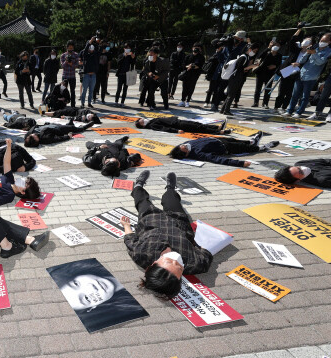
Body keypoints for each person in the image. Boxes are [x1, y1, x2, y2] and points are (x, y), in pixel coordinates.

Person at [121, 170, 213, 299]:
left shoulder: (141, 254)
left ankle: (139, 184)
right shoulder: (196, 264)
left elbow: (129, 239)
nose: (177, 260)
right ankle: (170, 187)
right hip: (178, 221)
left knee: (141, 200)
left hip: (150, 219)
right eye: (180, 268)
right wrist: (196, 245)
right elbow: (207, 254)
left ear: (153, 264)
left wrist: (126, 226)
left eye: (169, 261)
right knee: (170, 198)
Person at [48, 259, 147, 332]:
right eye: (86, 298)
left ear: (76, 275)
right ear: (93, 307)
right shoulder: (130, 308)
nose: (91, 288)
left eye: (76, 284)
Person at [286, 32, 331, 118]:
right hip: (302, 73)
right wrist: (306, 53)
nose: (321, 42)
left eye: (324, 40)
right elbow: (303, 60)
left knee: (305, 96)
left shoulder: (328, 51)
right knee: (294, 94)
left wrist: (314, 53)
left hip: (312, 76)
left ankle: (299, 112)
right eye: (321, 40)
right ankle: (289, 111)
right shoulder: (315, 47)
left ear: (329, 42)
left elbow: (320, 62)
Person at [169, 132, 279, 167]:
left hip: (219, 140)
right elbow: (217, 159)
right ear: (186, 154)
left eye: (183, 145)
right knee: (247, 148)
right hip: (226, 148)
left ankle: (252, 141)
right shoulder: (199, 153)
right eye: (185, 148)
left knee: (238, 140)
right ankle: (264, 147)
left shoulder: (184, 145)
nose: (185, 145)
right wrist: (240, 163)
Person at [210, 30, 249, 112]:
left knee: (231, 91)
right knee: (219, 89)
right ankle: (215, 104)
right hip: (224, 70)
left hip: (234, 71)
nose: (235, 39)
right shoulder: (228, 45)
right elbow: (221, 58)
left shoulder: (244, 47)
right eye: (235, 37)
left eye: (237, 38)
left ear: (241, 39)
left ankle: (225, 107)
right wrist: (219, 51)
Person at [219, 43, 260, 116]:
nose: (254, 53)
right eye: (254, 51)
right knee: (231, 94)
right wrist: (250, 67)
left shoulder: (246, 57)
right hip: (235, 77)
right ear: (249, 49)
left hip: (236, 77)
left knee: (231, 94)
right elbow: (239, 68)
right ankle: (226, 110)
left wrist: (249, 67)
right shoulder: (243, 57)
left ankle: (223, 109)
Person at [273, 23, 306, 114]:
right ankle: (276, 107)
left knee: (290, 93)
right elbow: (292, 40)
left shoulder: (309, 54)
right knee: (281, 91)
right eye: (303, 45)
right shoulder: (295, 50)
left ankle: (284, 108)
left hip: (296, 73)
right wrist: (299, 29)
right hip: (287, 71)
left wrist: (299, 64)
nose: (304, 47)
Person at [253, 41, 282, 108]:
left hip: (270, 74)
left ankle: (265, 103)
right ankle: (256, 102)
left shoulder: (279, 55)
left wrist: (274, 66)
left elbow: (279, 64)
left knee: (268, 89)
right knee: (258, 88)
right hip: (261, 72)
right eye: (275, 45)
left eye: (278, 45)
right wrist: (268, 47)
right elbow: (260, 56)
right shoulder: (267, 52)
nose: (276, 46)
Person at [24, 120, 94, 147]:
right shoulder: (45, 139)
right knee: (72, 128)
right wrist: (68, 137)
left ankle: (68, 124)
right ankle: (84, 127)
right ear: (36, 139)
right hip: (58, 129)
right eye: (32, 136)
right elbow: (57, 139)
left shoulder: (29, 135)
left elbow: (28, 136)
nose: (30, 134)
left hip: (51, 124)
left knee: (67, 125)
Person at [178, 44, 205, 108]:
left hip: (195, 75)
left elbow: (199, 66)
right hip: (186, 73)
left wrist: (191, 66)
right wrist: (189, 66)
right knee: (184, 87)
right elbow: (184, 65)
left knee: (191, 87)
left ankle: (188, 101)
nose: (196, 49)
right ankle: (182, 100)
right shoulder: (188, 56)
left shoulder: (201, 57)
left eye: (198, 48)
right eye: (195, 47)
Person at [135, 117, 230, 135]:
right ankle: (220, 132)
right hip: (178, 125)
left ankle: (217, 127)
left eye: (141, 120)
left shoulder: (151, 121)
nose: (142, 120)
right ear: (143, 126)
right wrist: (176, 131)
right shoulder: (152, 125)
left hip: (178, 121)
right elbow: (165, 129)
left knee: (197, 125)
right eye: (141, 122)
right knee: (199, 128)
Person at [203, 39, 226, 108]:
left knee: (216, 89)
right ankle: (207, 102)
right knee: (210, 89)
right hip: (213, 73)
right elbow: (211, 60)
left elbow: (220, 60)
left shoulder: (223, 52)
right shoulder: (216, 52)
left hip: (219, 72)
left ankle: (213, 103)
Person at [80, 36, 101, 108]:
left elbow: (99, 50)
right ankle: (82, 103)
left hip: (93, 75)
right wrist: (90, 42)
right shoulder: (85, 55)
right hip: (86, 75)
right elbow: (85, 50)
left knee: (91, 90)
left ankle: (89, 103)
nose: (91, 50)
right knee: (84, 90)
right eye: (90, 49)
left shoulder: (95, 55)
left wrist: (97, 42)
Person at [115, 43, 136, 107]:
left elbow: (133, 64)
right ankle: (116, 101)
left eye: (129, 48)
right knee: (119, 89)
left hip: (127, 75)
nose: (128, 49)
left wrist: (133, 58)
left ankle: (122, 102)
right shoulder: (121, 55)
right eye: (126, 48)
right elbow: (118, 63)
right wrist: (124, 56)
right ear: (124, 49)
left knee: (125, 89)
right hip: (121, 74)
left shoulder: (130, 56)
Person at [61, 41, 80, 107]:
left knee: (73, 91)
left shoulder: (76, 55)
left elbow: (77, 65)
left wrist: (71, 64)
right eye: (69, 47)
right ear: (67, 47)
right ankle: (63, 105)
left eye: (72, 48)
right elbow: (62, 66)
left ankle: (73, 106)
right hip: (65, 75)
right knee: (63, 91)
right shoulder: (63, 55)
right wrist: (66, 61)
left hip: (72, 76)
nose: (70, 49)